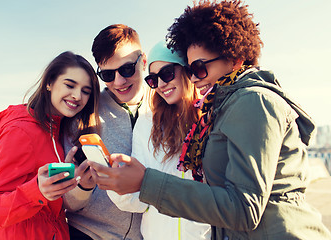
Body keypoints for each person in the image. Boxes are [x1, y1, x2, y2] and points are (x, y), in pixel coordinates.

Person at [88, 1, 331, 239]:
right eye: (154, 79)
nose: (194, 78)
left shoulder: (250, 101)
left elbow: (244, 207)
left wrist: (147, 182)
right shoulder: (222, 108)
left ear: (234, 58)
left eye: (198, 68)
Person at [0, 51, 101, 240]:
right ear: (49, 83)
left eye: (86, 91)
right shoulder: (20, 131)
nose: (77, 96)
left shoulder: (59, 128)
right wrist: (37, 190)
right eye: (69, 85)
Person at [106, 40, 211, 239]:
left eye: (167, 74)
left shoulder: (212, 118)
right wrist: (114, 183)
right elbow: (139, 202)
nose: (161, 85)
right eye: (153, 80)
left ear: (186, 70)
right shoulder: (147, 124)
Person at [62, 24, 147, 240]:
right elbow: (67, 202)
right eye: (108, 74)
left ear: (143, 61)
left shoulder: (166, 109)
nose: (119, 82)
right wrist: (83, 187)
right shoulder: (82, 116)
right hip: (88, 234)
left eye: (127, 69)